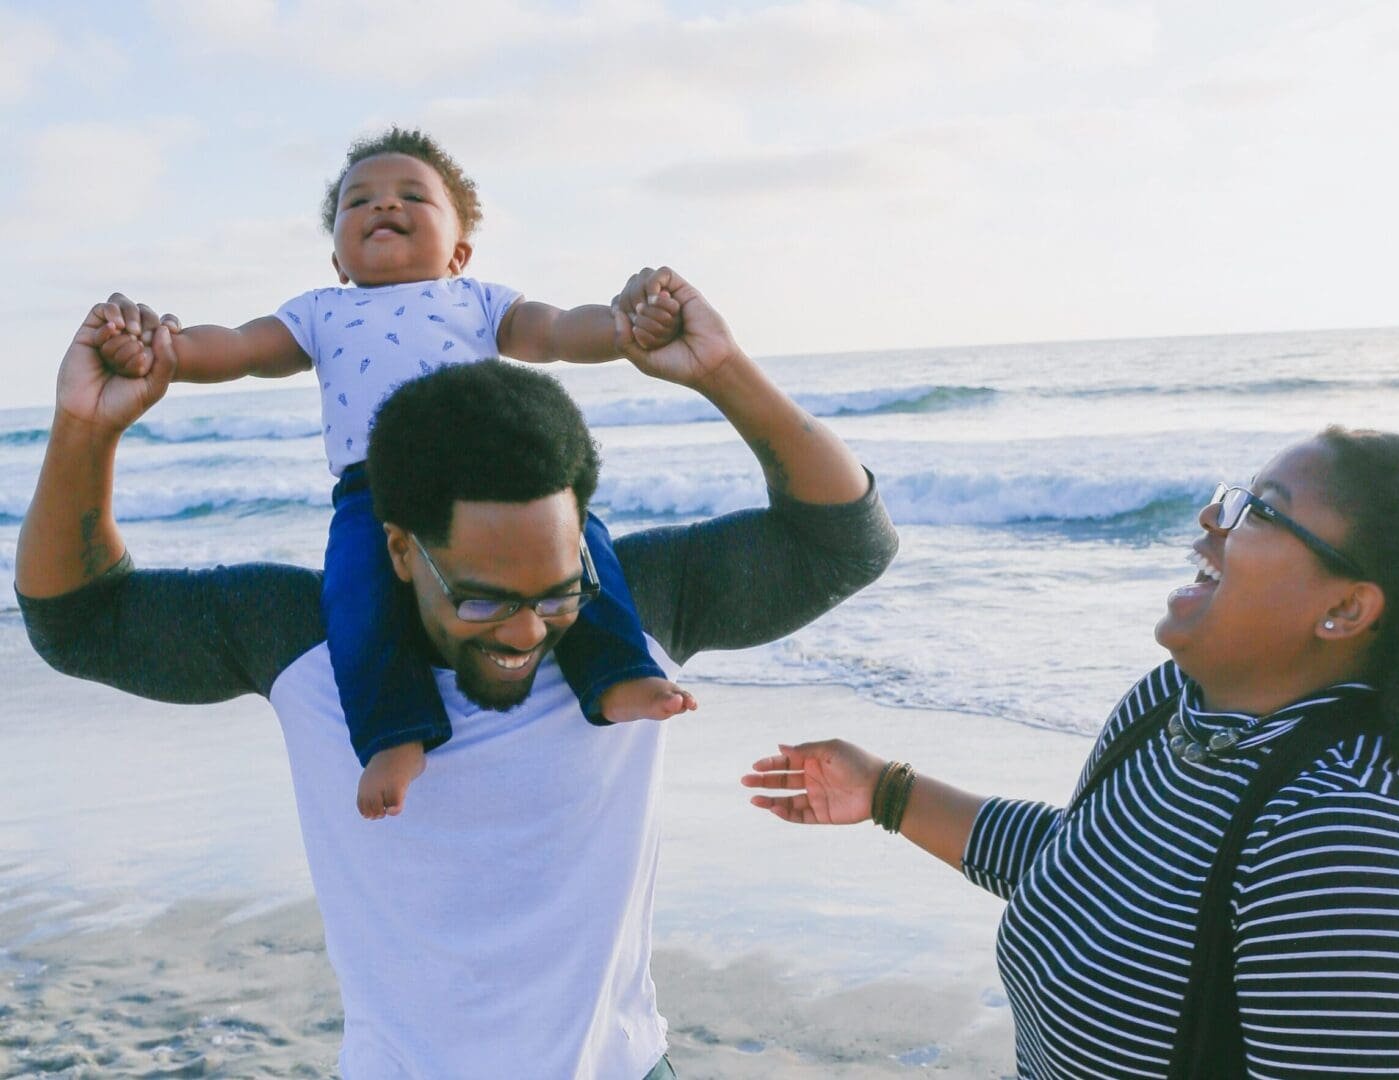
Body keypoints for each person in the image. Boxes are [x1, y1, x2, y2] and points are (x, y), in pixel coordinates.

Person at [17, 267, 899, 1078]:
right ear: (400, 550)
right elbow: (79, 622)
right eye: (482, 599)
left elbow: (847, 542)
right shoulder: (303, 638)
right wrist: (87, 431)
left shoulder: (630, 613)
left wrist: (722, 371)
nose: (526, 629)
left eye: (556, 592)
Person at [743, 431, 1399, 1077]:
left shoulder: (1350, 847)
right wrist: (887, 792)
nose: (1214, 517)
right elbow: (1090, 872)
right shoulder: (1171, 707)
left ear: (1346, 608)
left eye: (1260, 511)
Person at [96, 126, 692, 820]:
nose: (384, 205)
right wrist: (163, 350)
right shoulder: (321, 311)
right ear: (337, 259)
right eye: (359, 202)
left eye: (412, 196)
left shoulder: (479, 300)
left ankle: (618, 674)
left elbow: (557, 331)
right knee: (355, 596)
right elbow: (239, 348)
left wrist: (623, 328)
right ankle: (394, 732)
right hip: (373, 490)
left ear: (459, 252)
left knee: (583, 546)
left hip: (489, 475)